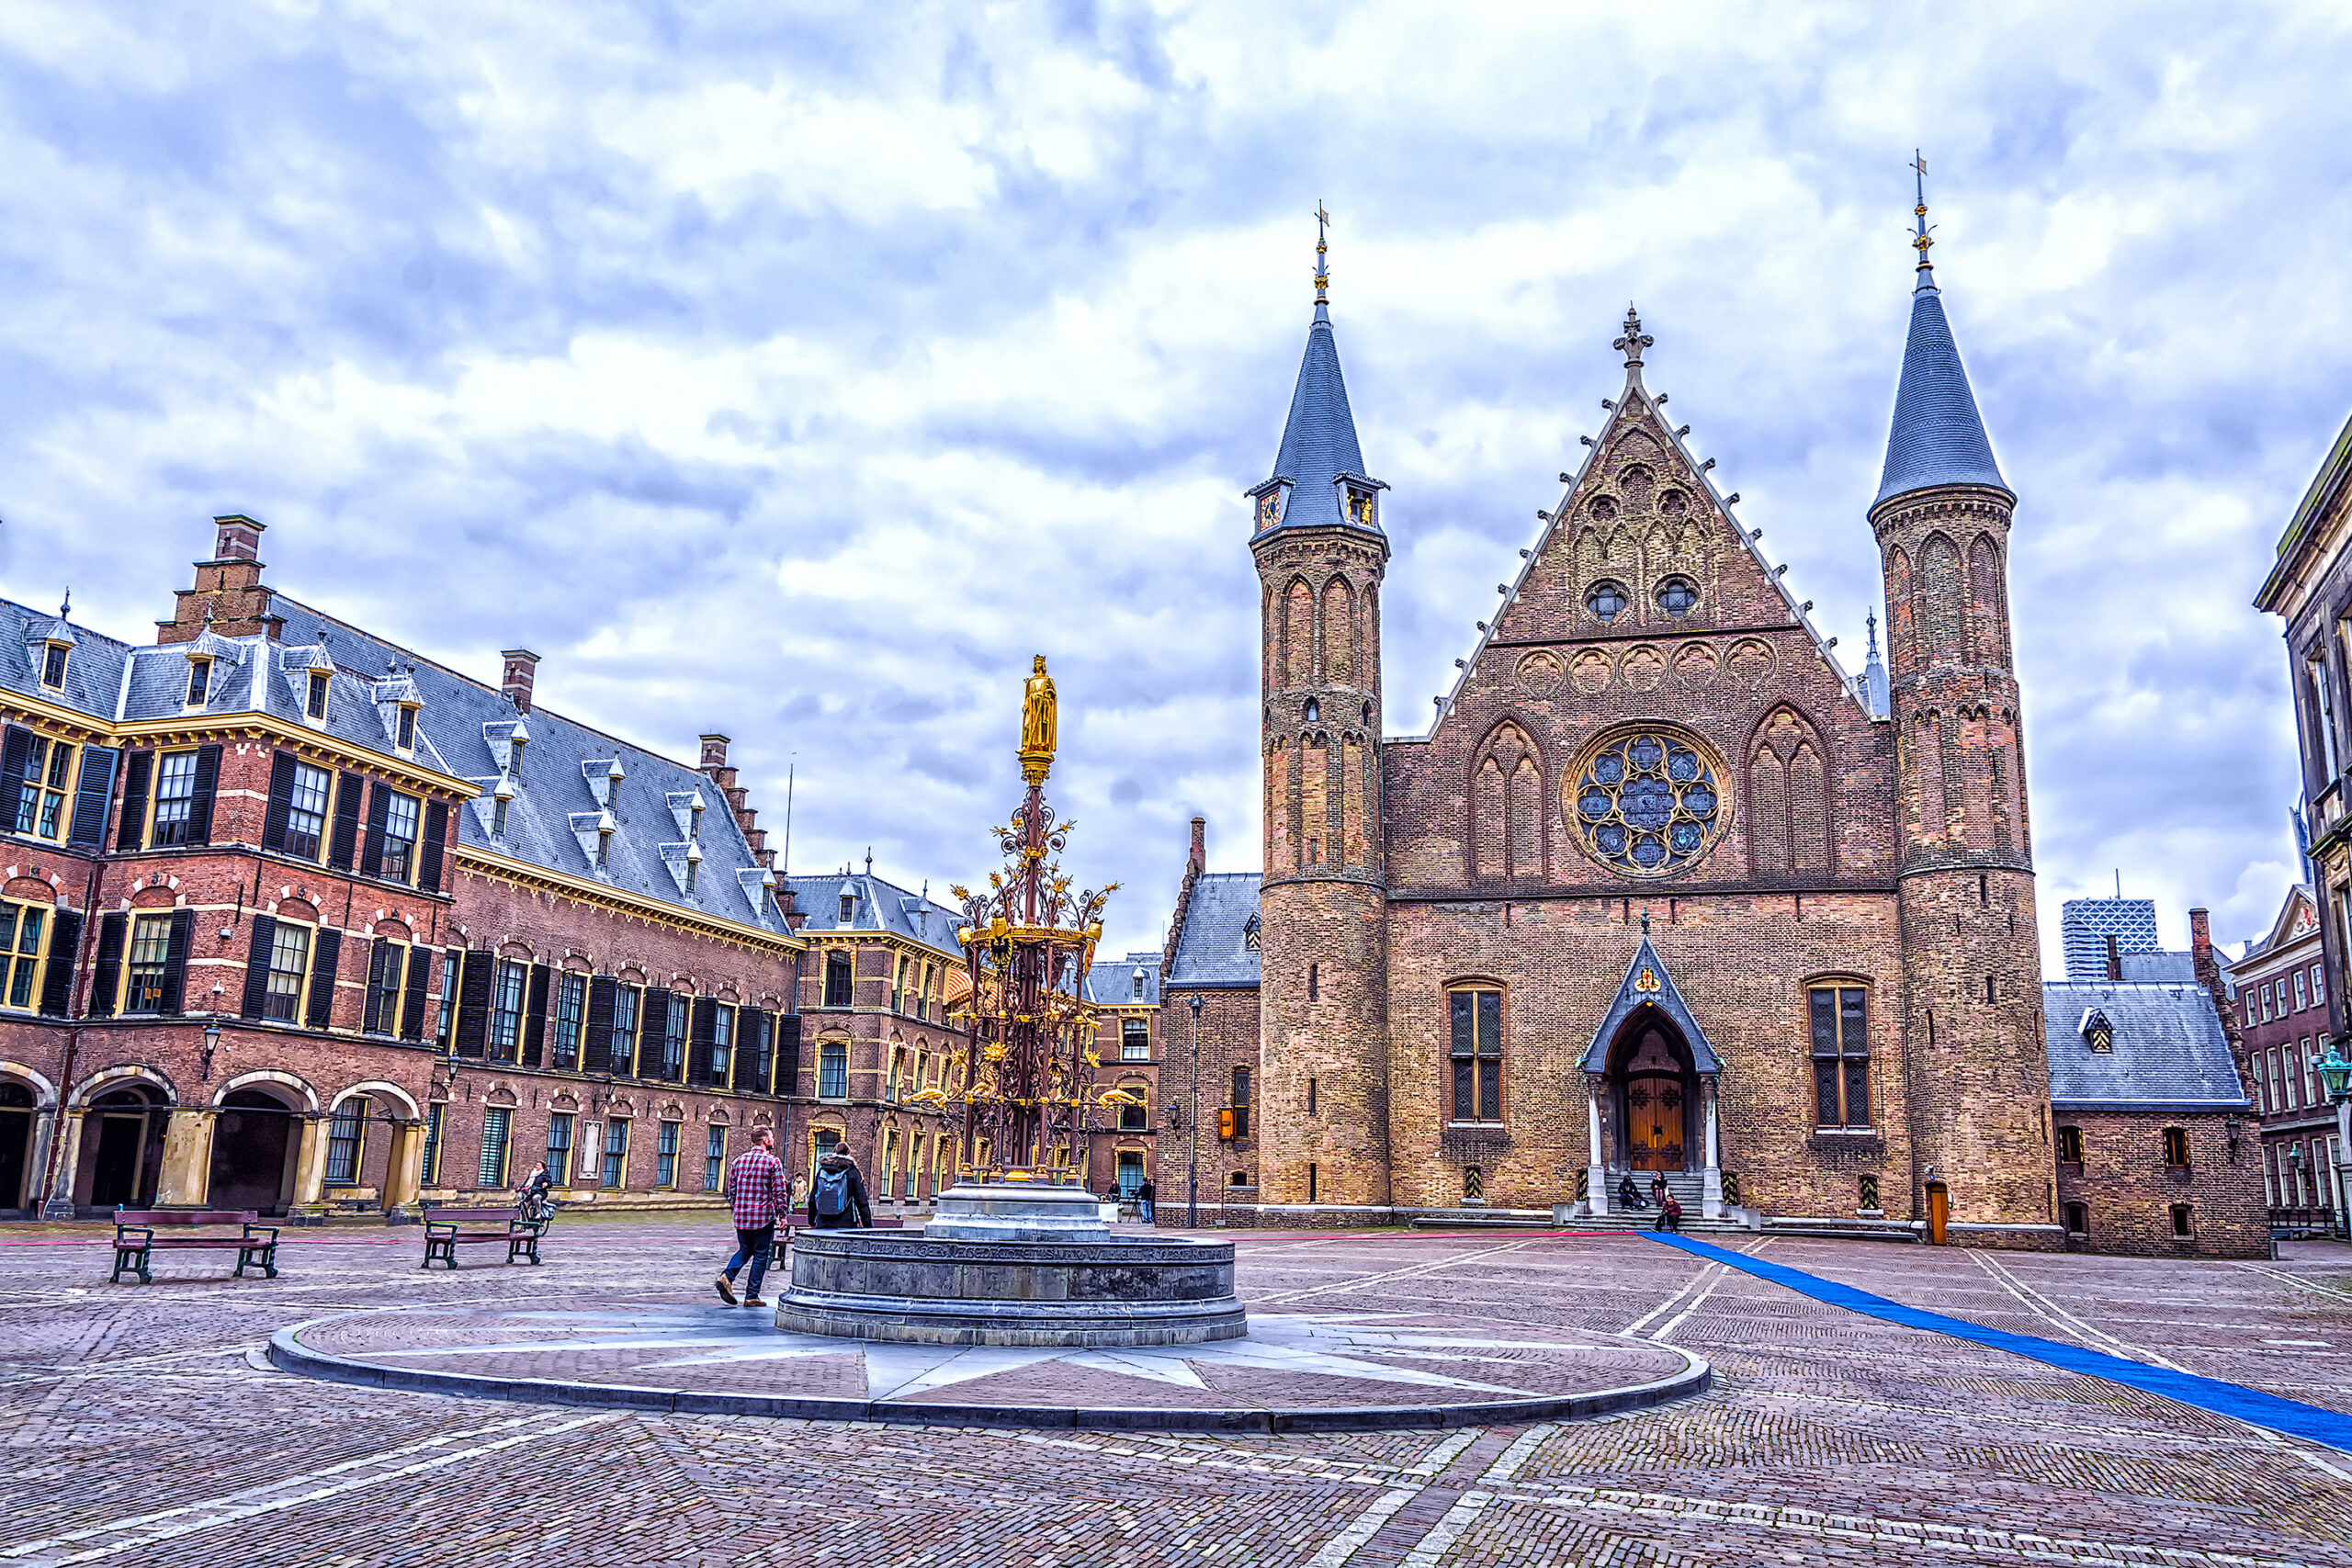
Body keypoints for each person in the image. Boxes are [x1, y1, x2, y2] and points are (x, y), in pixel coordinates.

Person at [715, 1129, 785, 1308]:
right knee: (761, 1255)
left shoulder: (738, 1161)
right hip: (762, 1217)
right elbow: (779, 1191)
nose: (773, 1139)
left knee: (745, 1250)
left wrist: (738, 1208)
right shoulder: (773, 1162)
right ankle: (752, 1295)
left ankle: (727, 1277)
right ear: (764, 1140)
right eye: (771, 1136)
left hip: (742, 1217)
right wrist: (782, 1214)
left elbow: (731, 1190)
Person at [808, 1145, 873, 1230]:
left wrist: (811, 1221)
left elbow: (813, 1198)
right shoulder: (852, 1172)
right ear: (848, 1153)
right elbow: (861, 1201)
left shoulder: (822, 1171)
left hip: (823, 1222)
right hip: (846, 1223)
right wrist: (868, 1226)